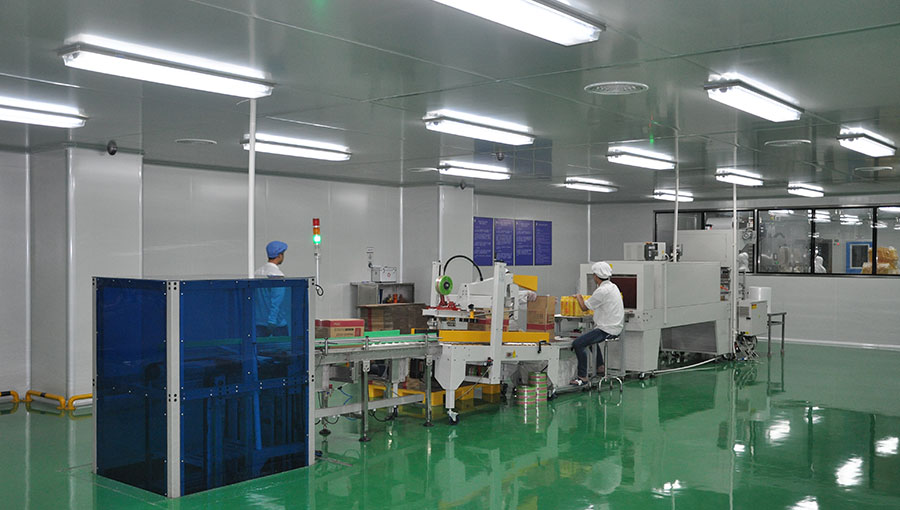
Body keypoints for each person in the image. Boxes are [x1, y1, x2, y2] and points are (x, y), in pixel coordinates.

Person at [570, 261, 624, 386]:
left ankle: (582, 377)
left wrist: (578, 297)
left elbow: (584, 307)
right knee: (589, 339)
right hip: (615, 327)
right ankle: (600, 366)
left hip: (606, 329)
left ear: (596, 276)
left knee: (578, 343)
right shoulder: (613, 287)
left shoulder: (601, 291)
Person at [254, 241, 289, 337]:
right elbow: (277, 301)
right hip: (276, 324)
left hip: (259, 322)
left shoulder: (258, 272)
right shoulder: (277, 275)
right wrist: (272, 321)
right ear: (280, 255)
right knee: (283, 346)